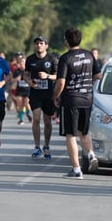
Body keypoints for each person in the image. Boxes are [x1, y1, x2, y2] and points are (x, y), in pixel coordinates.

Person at [53, 27, 102, 179]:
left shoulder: (65, 58)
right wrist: (85, 82)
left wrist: (55, 97)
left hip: (71, 100)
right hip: (87, 99)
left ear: (66, 41)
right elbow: (98, 75)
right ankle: (91, 154)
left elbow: (61, 83)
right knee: (84, 131)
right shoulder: (89, 55)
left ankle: (76, 170)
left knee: (71, 135)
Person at [23, 36, 58, 159]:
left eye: (41, 43)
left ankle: (46, 146)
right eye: (37, 43)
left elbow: (57, 76)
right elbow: (25, 75)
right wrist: (29, 82)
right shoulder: (30, 59)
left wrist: (47, 76)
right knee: (36, 119)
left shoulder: (52, 59)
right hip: (35, 94)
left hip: (48, 94)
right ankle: (37, 147)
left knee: (47, 121)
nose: (39, 45)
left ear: (46, 46)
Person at [11, 57, 32, 125]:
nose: (22, 63)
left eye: (23, 62)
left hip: (27, 90)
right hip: (19, 90)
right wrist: (17, 79)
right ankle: (21, 119)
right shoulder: (17, 71)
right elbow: (12, 80)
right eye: (21, 62)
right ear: (19, 63)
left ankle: (28, 114)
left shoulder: (29, 70)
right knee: (20, 104)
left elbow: (33, 79)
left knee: (26, 103)